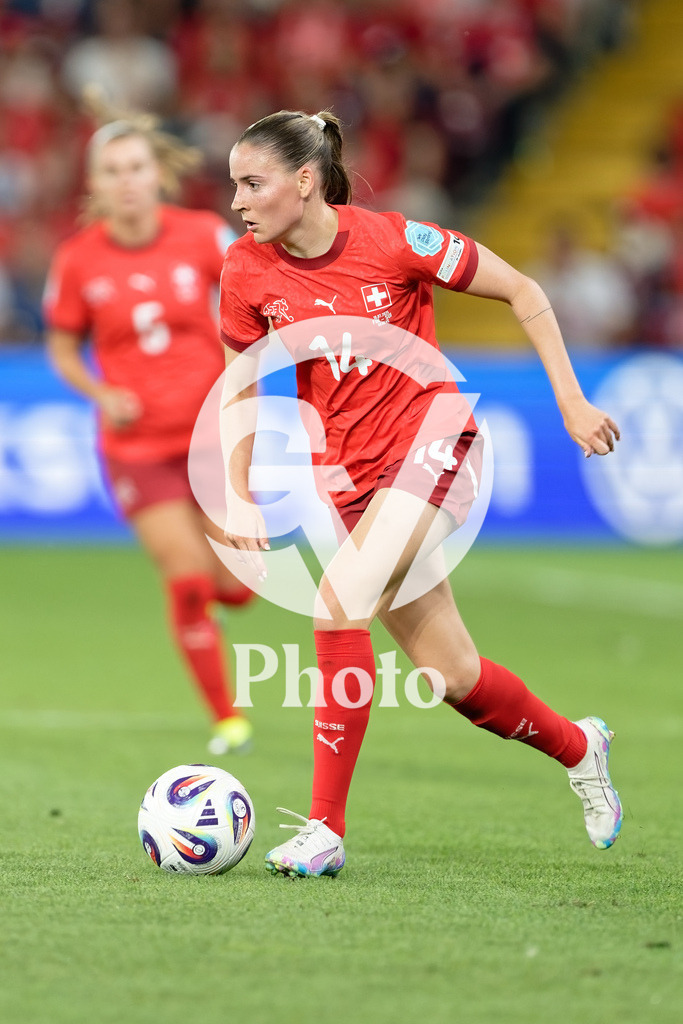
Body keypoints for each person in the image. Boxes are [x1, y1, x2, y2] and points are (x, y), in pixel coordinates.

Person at [219, 109, 623, 877]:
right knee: (456, 678)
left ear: (303, 181)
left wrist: (570, 399)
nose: (237, 199)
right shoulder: (244, 270)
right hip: (352, 480)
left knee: (338, 599)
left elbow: (523, 289)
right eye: (234, 183)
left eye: (251, 182)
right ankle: (580, 745)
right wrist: (237, 494)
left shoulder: (394, 241)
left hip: (433, 446)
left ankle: (323, 830)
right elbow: (237, 382)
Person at [44, 101, 254, 756]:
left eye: (137, 166)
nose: (128, 180)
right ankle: (227, 718)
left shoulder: (201, 234)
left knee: (238, 585)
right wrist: (99, 391)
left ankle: (226, 592)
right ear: (96, 185)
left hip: (211, 437)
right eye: (113, 170)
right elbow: (60, 347)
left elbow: (246, 304)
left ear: (157, 174)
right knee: (188, 580)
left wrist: (237, 376)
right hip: (138, 451)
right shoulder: (78, 261)